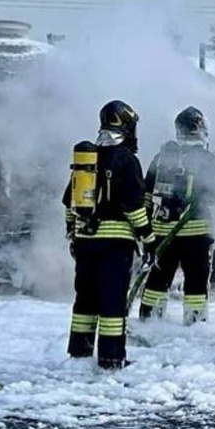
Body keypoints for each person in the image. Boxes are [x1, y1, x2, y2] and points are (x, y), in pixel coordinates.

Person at [63, 100, 157, 370]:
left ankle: (79, 353)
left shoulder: (87, 158)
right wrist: (148, 239)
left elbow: (69, 203)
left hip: (85, 241)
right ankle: (111, 358)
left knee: (85, 297)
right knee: (112, 301)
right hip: (115, 244)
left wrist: (73, 233)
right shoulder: (127, 160)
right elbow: (134, 207)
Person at [139, 106, 215, 325]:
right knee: (196, 281)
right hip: (197, 234)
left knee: (158, 278)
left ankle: (149, 319)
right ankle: (194, 323)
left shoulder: (161, 158)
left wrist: (147, 229)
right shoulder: (208, 160)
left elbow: (146, 195)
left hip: (161, 232)